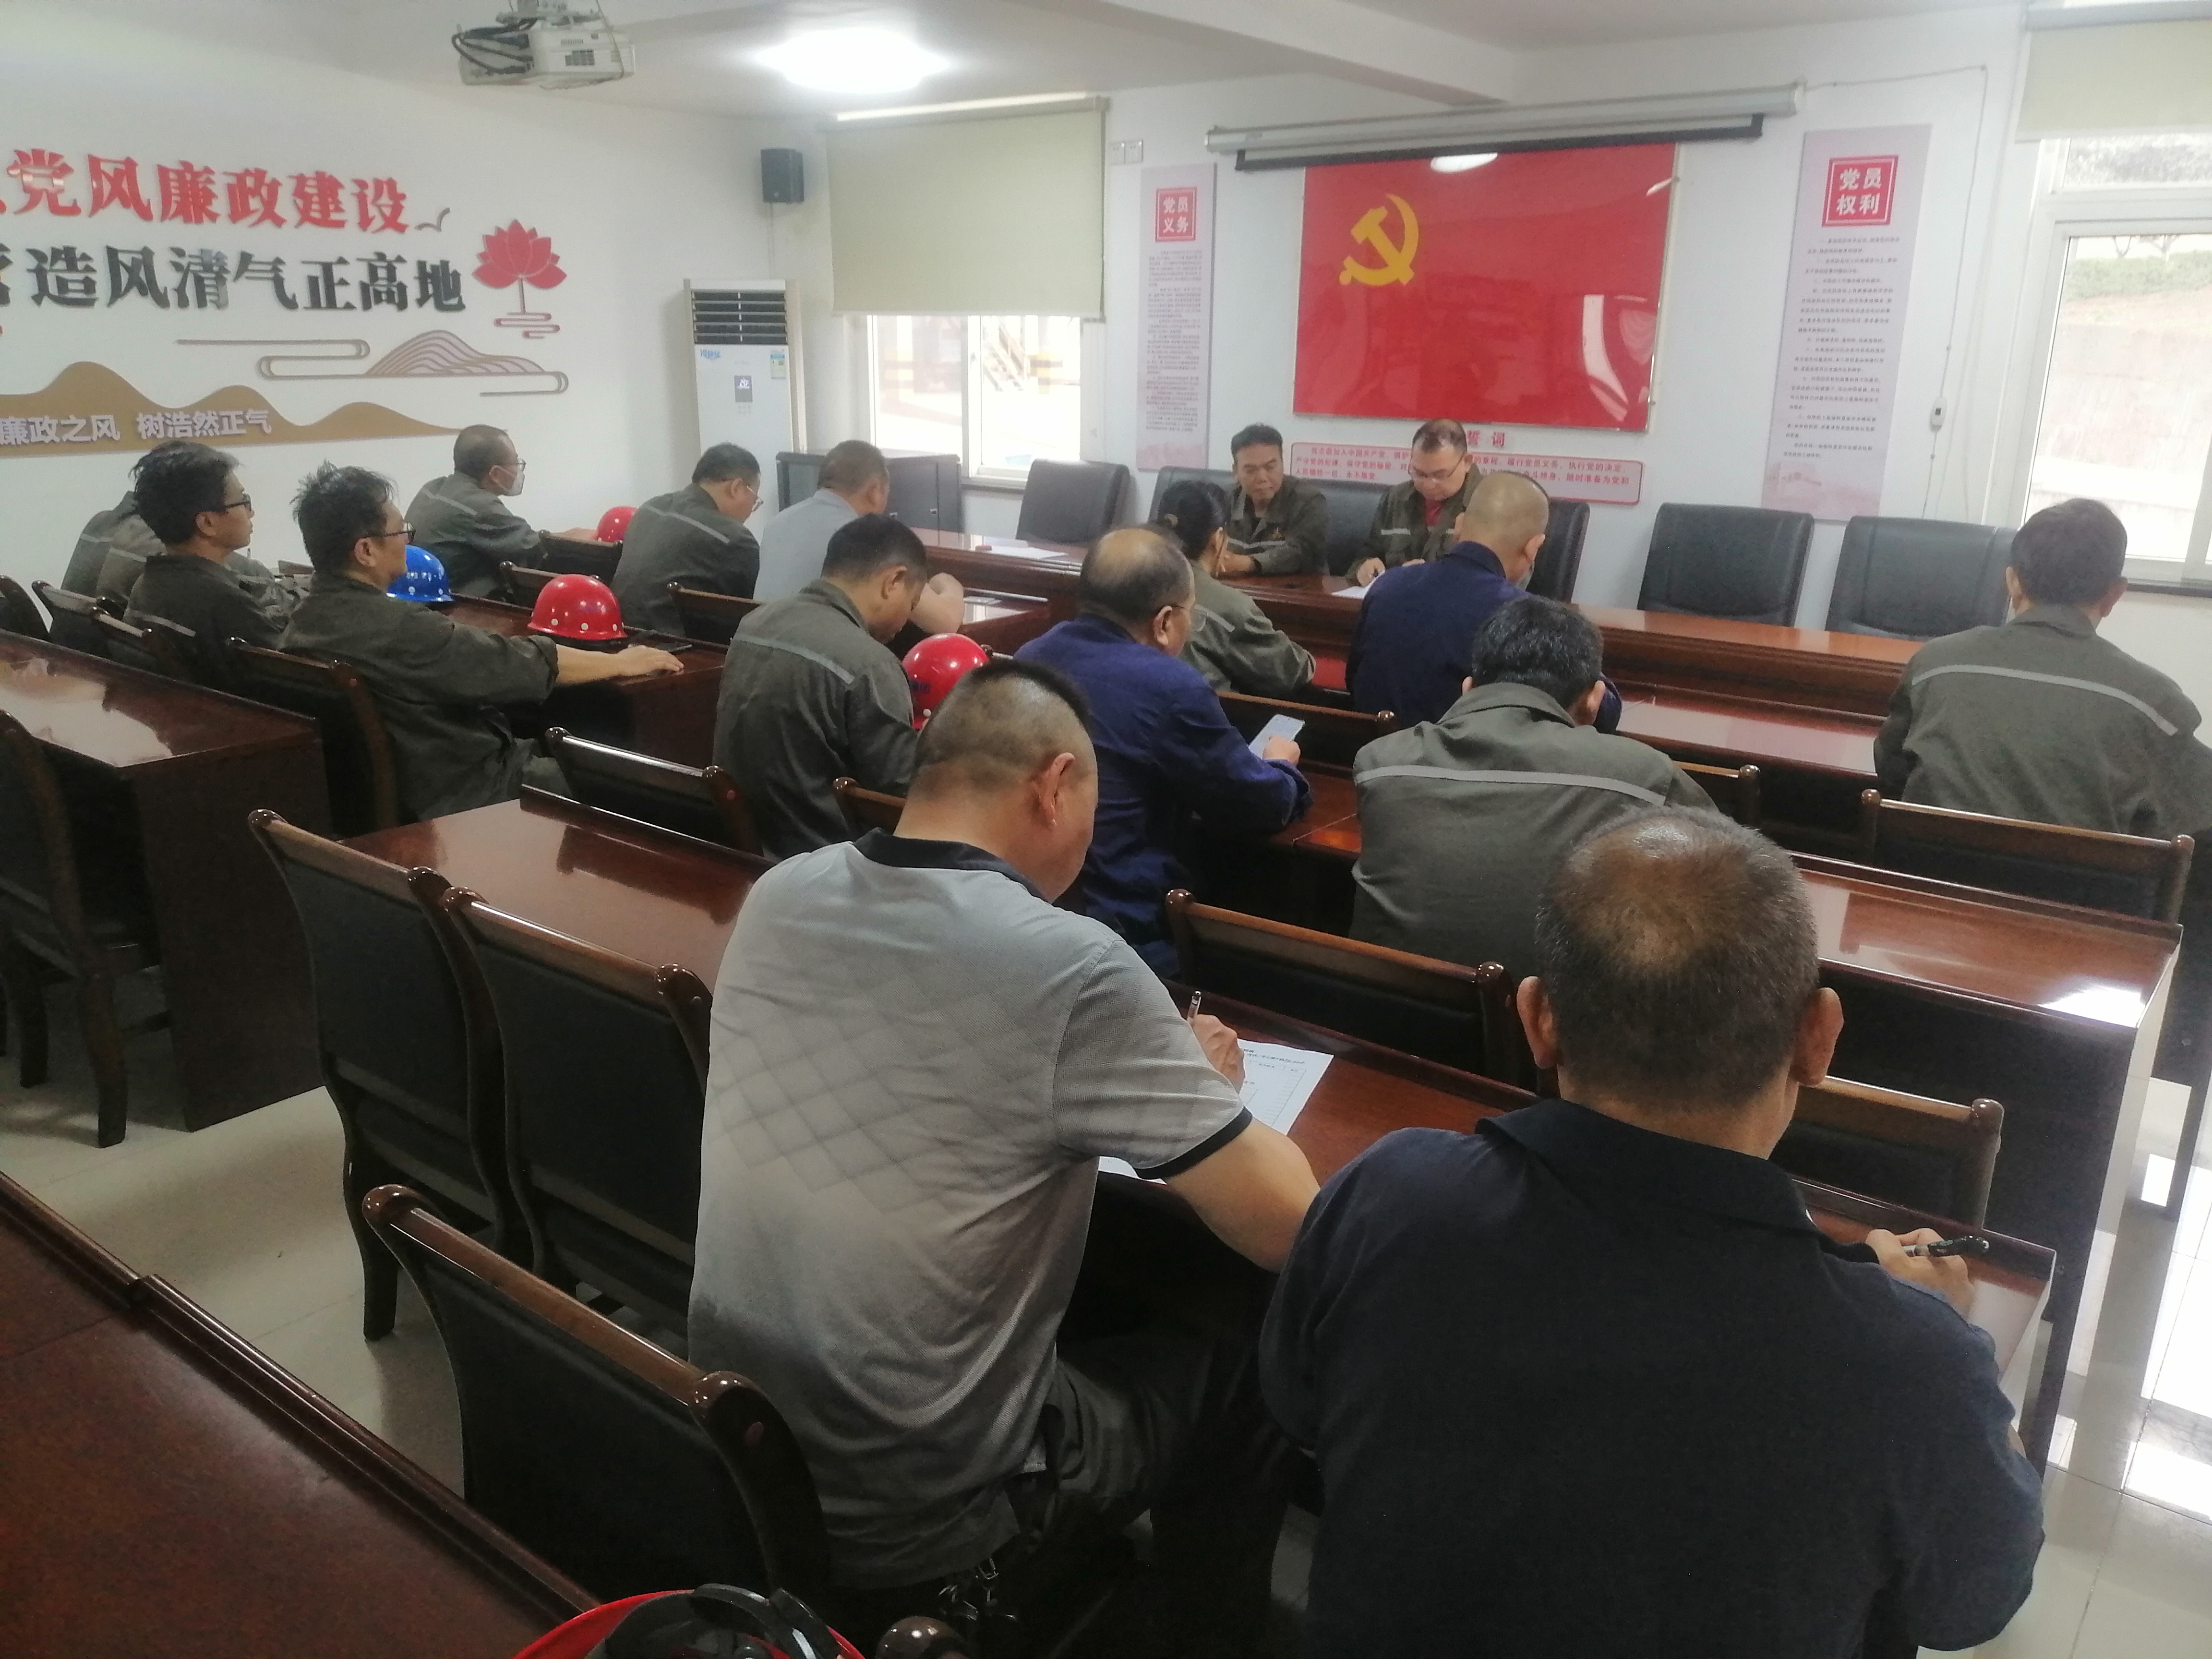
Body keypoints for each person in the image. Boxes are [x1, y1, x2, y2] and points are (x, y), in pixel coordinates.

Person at [1264, 810, 2044, 1658]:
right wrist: (1942, 1336)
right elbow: (1972, 1604)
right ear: (1819, 1038)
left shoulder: (1386, 1190)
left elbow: (1297, 1405)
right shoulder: (1911, 1363)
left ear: (1538, 1019)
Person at [690, 658, 1317, 1654]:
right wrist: (1200, 1084)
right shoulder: (1072, 962)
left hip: (744, 1449)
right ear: (1055, 784)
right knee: (1253, 1333)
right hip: (933, 1515)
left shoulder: (780, 891)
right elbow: (1290, 1227)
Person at [282, 463, 679, 819]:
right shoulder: (398, 629)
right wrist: (622, 662)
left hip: (401, 796)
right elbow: (517, 663)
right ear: (366, 550)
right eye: (400, 531)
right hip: (472, 794)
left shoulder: (301, 623)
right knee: (632, 778)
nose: (408, 540)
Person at [1350, 597, 1711, 980]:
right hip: (1547, 1015)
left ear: (1468, 689)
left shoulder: (1380, 762)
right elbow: (1728, 874)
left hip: (1383, 1005)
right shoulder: (1645, 775)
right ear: (1594, 701)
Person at [1016, 528, 1310, 970]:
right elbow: (1257, 804)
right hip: (1129, 938)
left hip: (1035, 913)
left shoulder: (1030, 656)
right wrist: (1282, 768)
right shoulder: (1171, 688)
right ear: (1165, 622)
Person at [1875, 497, 2212, 838]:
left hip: (1928, 869)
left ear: (2013, 582)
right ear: (2114, 595)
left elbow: (1891, 771)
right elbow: (2197, 823)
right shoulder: (2155, 704)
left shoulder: (1934, 664)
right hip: (2078, 875)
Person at [713, 513, 947, 857]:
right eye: (911, 604)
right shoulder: (870, 663)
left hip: (749, 847)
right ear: (894, 581)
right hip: (825, 859)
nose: (905, 620)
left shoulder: (754, 623)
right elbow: (902, 795)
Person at [1346, 469, 1617, 730]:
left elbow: (1354, 680)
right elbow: (1601, 709)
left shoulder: (1388, 585)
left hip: (1370, 756)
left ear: (1459, 525)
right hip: (1457, 762)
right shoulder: (1519, 616)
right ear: (1533, 548)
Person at [119, 442, 289, 667]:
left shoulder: (147, 584)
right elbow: (292, 672)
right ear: (207, 523)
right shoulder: (226, 605)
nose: (251, 512)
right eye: (243, 501)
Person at [67, 443, 291, 610]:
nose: (251, 512)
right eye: (243, 500)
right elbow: (261, 585)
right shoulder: (171, 555)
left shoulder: (101, 523)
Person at [1155, 477, 1316, 699]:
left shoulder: (1123, 583)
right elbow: (1291, 673)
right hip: (1206, 717)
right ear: (1218, 538)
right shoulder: (1230, 607)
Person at [406, 425, 599, 597]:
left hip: (424, 596)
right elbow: (538, 550)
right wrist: (586, 538)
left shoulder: (433, 488)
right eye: (515, 463)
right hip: (462, 606)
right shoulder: (479, 508)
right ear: (496, 473)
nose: (518, 470)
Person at [611, 443, 763, 634]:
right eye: (754, 500)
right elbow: (750, 619)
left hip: (618, 632)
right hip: (674, 646)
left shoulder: (650, 507)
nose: (751, 510)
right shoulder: (734, 539)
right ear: (737, 488)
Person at [1348, 417, 1480, 585]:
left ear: (1467, 462)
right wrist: (1364, 567)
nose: (1429, 485)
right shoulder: (1396, 498)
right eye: (1420, 474)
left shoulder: (1489, 504)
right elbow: (1369, 554)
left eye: (1440, 475)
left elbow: (1501, 579)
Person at [1211, 423, 1329, 577]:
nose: (1262, 478)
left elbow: (1303, 554)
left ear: (1283, 465)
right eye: (1251, 470)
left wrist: (1247, 563)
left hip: (1295, 588)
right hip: (1234, 586)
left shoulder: (1308, 501)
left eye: (1270, 467)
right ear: (1236, 471)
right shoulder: (1222, 500)